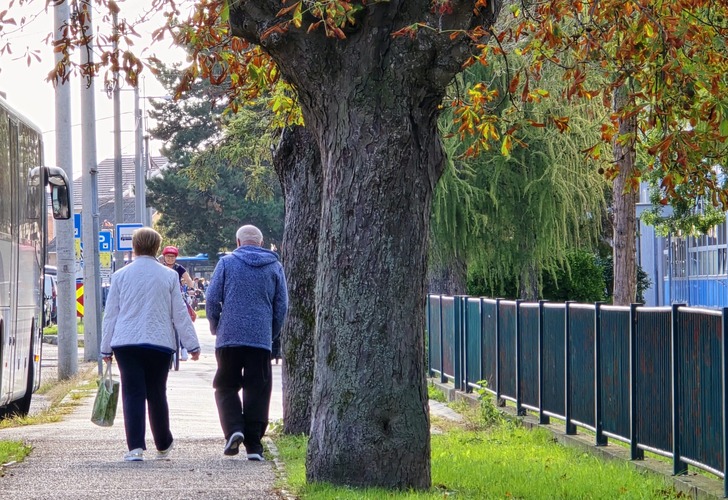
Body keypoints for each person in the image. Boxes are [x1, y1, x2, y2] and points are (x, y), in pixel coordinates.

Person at [100, 227, 201, 462]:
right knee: (157, 393)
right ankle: (163, 443)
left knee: (132, 392)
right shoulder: (169, 276)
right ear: (157, 248)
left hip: (126, 343)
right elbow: (179, 313)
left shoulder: (120, 276)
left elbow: (111, 315)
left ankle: (135, 447)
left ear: (134, 247)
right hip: (159, 343)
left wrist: (105, 348)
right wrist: (192, 345)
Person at [206, 224, 288, 461]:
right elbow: (281, 306)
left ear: (238, 242)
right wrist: (271, 333)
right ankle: (254, 445)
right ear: (261, 244)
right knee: (258, 390)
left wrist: (215, 325)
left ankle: (234, 429)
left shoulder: (226, 263)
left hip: (229, 337)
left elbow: (212, 298)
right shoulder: (274, 266)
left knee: (225, 385)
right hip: (260, 339)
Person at [162, 245, 195, 360]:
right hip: (163, 297)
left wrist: (191, 289)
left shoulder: (179, 268)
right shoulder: (160, 267)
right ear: (164, 257)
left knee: (183, 319)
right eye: (168, 256)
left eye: (172, 257)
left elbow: (189, 280)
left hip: (177, 296)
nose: (170, 259)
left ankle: (183, 348)